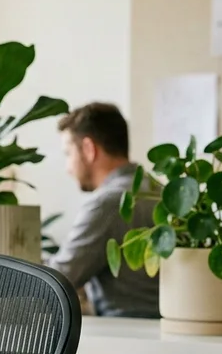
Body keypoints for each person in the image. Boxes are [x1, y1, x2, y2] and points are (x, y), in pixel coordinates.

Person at [48, 102, 159, 318]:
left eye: (68, 153)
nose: (68, 168)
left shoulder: (108, 203)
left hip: (122, 331)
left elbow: (58, 278)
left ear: (89, 149)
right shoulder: (159, 191)